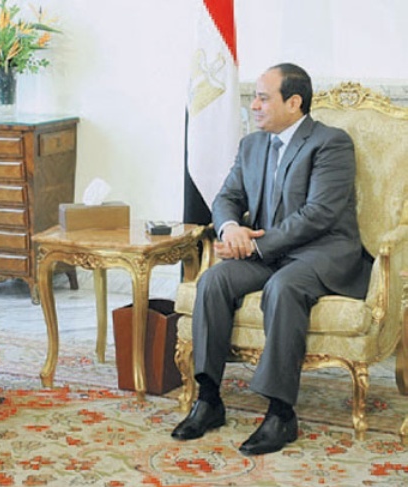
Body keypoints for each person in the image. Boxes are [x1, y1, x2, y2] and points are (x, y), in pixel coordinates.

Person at [171, 63, 372, 455]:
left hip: (322, 252)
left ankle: (281, 413)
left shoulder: (331, 143)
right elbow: (227, 198)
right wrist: (230, 229)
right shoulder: (252, 145)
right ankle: (208, 398)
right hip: (265, 251)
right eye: (255, 98)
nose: (255, 106)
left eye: (264, 98)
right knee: (213, 280)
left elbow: (319, 214)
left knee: (284, 286)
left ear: (294, 102)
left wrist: (255, 245)